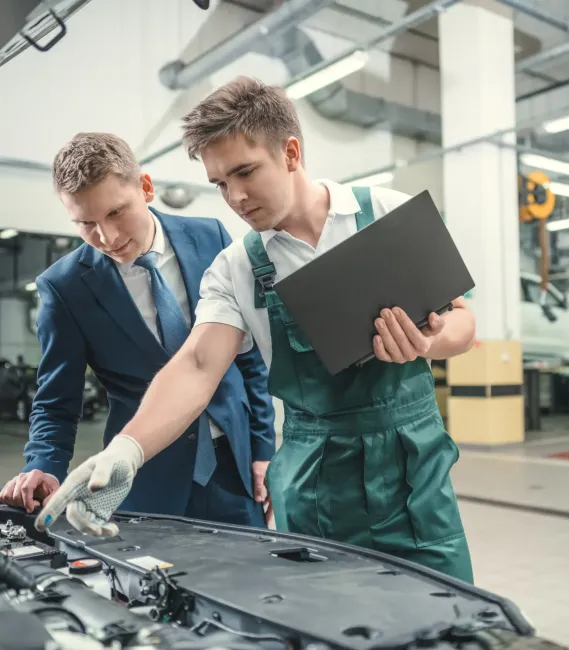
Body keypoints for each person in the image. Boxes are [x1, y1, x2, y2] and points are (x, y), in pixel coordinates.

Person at [36, 79, 476, 583]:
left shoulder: (388, 214)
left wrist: (429, 343)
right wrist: (125, 452)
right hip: (314, 484)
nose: (236, 197)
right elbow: (198, 364)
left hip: (414, 475)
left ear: (290, 152)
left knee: (452, 620)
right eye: (221, 183)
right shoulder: (237, 268)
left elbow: (463, 322)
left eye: (245, 172)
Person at [1, 132, 275, 531]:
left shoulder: (210, 238)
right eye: (86, 224)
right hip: (147, 475)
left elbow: (248, 359)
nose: (107, 237)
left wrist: (263, 449)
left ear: (145, 188)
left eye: (115, 213)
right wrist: (43, 465)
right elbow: (57, 401)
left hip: (235, 468)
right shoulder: (65, 289)